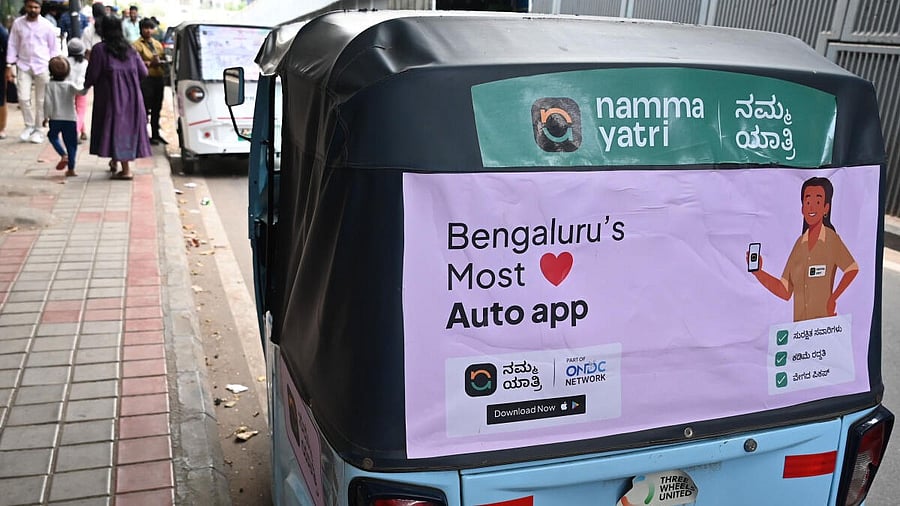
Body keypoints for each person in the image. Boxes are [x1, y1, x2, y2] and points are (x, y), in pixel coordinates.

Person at [750, 177, 859, 322]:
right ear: (802, 208)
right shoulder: (799, 244)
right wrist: (758, 272)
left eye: (818, 202)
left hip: (823, 326)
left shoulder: (831, 239)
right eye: (808, 202)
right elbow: (785, 290)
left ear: (826, 208)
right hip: (800, 330)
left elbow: (852, 269)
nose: (812, 207)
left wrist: (833, 299)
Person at [82, 16, 151, 180]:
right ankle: (115, 161)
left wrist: (85, 85)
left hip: (110, 97)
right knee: (124, 128)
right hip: (133, 97)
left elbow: (92, 75)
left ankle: (126, 170)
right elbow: (144, 73)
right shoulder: (131, 49)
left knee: (115, 127)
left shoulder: (100, 49)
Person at [5, 0, 61, 144]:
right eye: (30, 7)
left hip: (43, 66)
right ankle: (29, 126)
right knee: (23, 98)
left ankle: (39, 129)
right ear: (26, 7)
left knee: (42, 101)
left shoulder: (47, 26)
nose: (33, 10)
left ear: (40, 8)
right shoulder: (18, 24)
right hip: (23, 65)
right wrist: (9, 64)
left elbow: (54, 47)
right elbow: (12, 44)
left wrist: (55, 66)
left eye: (36, 7)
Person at [44, 55, 80, 176]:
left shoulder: (49, 85)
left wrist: (46, 116)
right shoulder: (70, 85)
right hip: (70, 118)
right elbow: (81, 91)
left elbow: (47, 103)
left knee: (52, 136)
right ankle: (71, 169)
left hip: (55, 118)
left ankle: (62, 154)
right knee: (72, 144)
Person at [134, 18, 165, 145]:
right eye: (145, 28)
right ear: (141, 29)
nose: (148, 31)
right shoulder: (136, 45)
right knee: (145, 108)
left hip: (158, 78)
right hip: (145, 79)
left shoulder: (157, 44)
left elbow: (163, 57)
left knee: (157, 107)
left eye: (150, 28)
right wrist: (149, 63)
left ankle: (156, 134)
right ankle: (143, 135)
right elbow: (135, 62)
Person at [66, 37, 88, 141]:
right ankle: (76, 132)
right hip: (82, 89)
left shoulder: (65, 61)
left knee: (74, 111)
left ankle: (83, 131)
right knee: (81, 111)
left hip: (68, 88)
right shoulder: (85, 63)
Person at [0, 22, 8, 139]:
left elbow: (7, 48)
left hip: (0, 68)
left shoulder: (1, 31)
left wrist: (8, 67)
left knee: (0, 99)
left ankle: (1, 128)